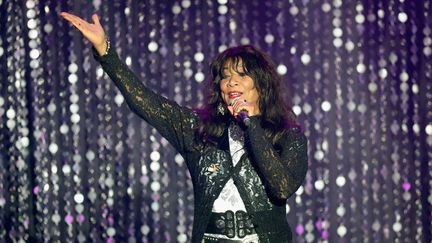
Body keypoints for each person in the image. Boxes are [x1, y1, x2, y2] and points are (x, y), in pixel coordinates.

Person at [60, 12, 308, 243]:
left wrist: (251, 123)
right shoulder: (198, 129)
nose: (231, 81)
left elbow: (282, 187)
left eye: (241, 74)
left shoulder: (288, 136)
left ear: (261, 86)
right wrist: (106, 52)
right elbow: (145, 102)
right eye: (225, 75)